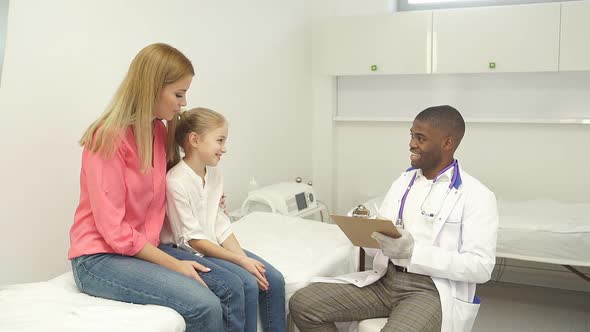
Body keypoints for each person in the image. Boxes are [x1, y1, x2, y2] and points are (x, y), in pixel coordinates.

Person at [289, 105, 498, 332]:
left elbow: (481, 267)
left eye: (421, 138)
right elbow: (380, 240)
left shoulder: (476, 195)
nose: (412, 144)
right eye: (412, 136)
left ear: (447, 143)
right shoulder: (403, 182)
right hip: (385, 280)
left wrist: (413, 252)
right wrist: (364, 229)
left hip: (430, 290)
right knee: (303, 304)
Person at [68, 43, 225, 332]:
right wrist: (173, 264)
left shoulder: (157, 130)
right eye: (178, 94)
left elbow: (168, 189)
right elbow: (114, 231)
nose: (184, 102)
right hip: (99, 258)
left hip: (140, 249)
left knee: (227, 285)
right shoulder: (107, 137)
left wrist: (204, 196)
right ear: (152, 87)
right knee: (204, 305)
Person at [162, 107, 287, 332]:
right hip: (190, 250)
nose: (224, 148)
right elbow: (193, 241)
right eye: (220, 140)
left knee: (273, 279)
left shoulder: (215, 173)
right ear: (195, 140)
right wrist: (241, 262)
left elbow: (220, 224)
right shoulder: (176, 181)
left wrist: (243, 258)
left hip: (213, 245)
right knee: (247, 284)